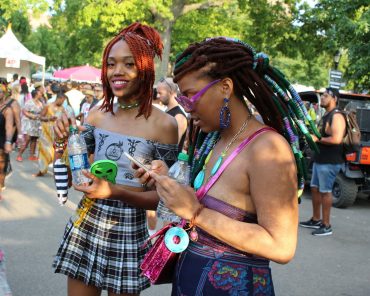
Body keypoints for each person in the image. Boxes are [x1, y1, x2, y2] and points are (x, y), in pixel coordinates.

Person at [134, 37, 318, 295]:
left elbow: (281, 246)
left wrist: (196, 213)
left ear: (225, 87)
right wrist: (169, 182)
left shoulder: (268, 149)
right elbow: (207, 197)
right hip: (190, 280)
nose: (186, 108)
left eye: (189, 97)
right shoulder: (213, 139)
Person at [53, 22, 178, 295]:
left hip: (128, 233)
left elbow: (165, 197)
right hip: (86, 223)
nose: (117, 72)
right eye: (111, 64)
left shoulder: (165, 125)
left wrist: (114, 191)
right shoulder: (97, 114)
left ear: (145, 69)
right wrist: (62, 139)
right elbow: (72, 164)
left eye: (128, 64)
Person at [300, 87, 346, 236]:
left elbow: (337, 139)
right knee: (314, 188)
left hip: (330, 161)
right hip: (321, 159)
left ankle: (326, 225)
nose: (323, 98)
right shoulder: (326, 115)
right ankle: (316, 219)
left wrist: (317, 138)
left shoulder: (337, 116)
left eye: (326, 96)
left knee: (325, 191)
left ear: (334, 99)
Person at [33, 92, 74, 177]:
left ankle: (56, 170)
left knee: (55, 151)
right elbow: (40, 117)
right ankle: (42, 170)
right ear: (58, 99)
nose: (63, 103)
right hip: (46, 132)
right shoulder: (48, 106)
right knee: (44, 151)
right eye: (62, 101)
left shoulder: (62, 108)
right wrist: (49, 118)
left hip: (56, 133)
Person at [157, 77, 188, 151]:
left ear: (170, 92)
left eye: (160, 93)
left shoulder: (179, 117)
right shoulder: (166, 112)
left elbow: (171, 146)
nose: (157, 96)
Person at [16, 89, 43, 162]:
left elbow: (42, 112)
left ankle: (32, 155)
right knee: (27, 139)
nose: (41, 94)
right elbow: (24, 111)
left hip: (37, 122)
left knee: (34, 139)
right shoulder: (29, 102)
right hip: (29, 122)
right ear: (36, 94)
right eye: (40, 93)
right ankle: (19, 155)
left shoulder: (40, 103)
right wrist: (31, 116)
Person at [0, 85, 14, 199]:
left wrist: (8, 141)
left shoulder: (7, 109)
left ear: (3, 94)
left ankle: (1, 184)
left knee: (1, 166)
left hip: (1, 140)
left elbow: (9, 127)